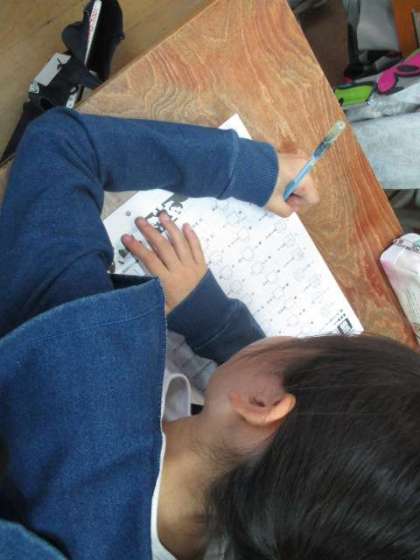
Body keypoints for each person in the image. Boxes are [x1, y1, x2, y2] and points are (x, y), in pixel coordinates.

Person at [0, 108, 418, 560]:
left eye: (304, 343)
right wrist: (219, 326)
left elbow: (66, 146)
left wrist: (250, 170)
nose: (290, 339)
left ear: (261, 405)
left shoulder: (81, 363)